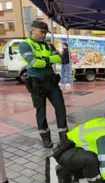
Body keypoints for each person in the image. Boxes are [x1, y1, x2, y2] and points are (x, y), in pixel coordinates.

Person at [18, 20, 68, 148]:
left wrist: (44, 60)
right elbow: (34, 63)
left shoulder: (48, 45)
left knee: (60, 108)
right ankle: (46, 138)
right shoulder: (25, 45)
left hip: (51, 82)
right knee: (41, 112)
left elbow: (59, 58)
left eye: (45, 32)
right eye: (42, 32)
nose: (44, 35)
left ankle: (63, 136)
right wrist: (49, 60)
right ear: (33, 30)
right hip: (36, 84)